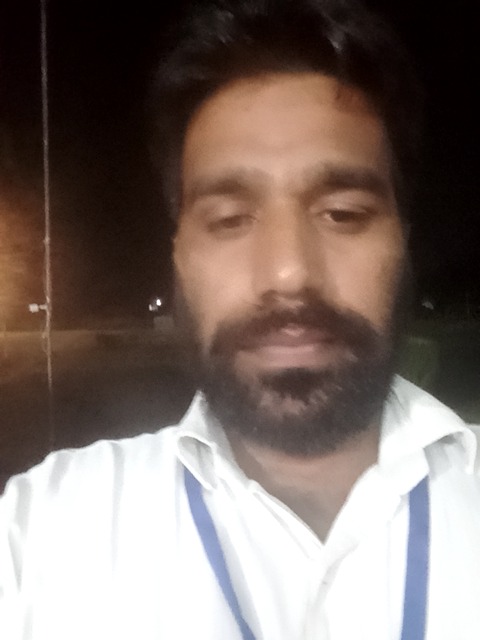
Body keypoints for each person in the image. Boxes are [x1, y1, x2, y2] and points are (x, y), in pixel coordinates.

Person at [1, 1, 479, 638]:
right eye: (229, 220)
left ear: (403, 241)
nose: (288, 272)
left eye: (342, 213)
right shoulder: (45, 533)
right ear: (178, 254)